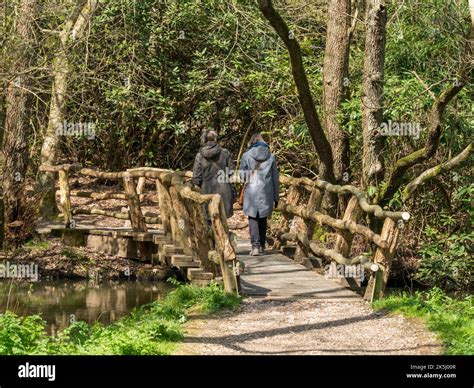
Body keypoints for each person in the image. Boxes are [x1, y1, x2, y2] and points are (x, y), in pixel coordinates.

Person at [239, 133, 279, 256]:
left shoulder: (246, 155)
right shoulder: (271, 157)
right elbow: (275, 178)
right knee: (263, 217)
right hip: (266, 191)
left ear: (252, 142)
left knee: (253, 218)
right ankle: (261, 245)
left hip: (251, 191)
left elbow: (242, 176)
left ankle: (255, 246)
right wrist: (276, 197)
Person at [192, 130, 235, 218]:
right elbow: (231, 171)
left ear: (204, 140)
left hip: (207, 191)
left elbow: (196, 177)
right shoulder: (225, 152)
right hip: (224, 190)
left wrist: (202, 185)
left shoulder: (199, 156)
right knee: (223, 220)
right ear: (216, 139)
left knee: (209, 219)